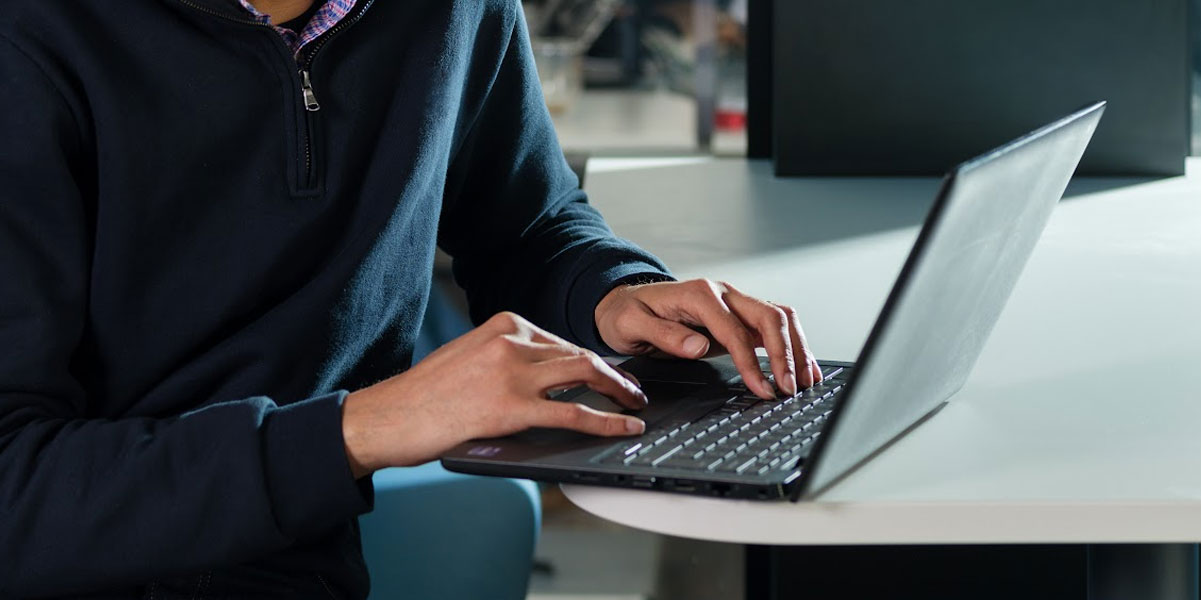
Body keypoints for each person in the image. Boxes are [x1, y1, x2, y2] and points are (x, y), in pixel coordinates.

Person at [0, 0, 820, 597]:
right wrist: (367, 425)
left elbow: (528, 219)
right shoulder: (30, 42)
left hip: (300, 556)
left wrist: (614, 292)